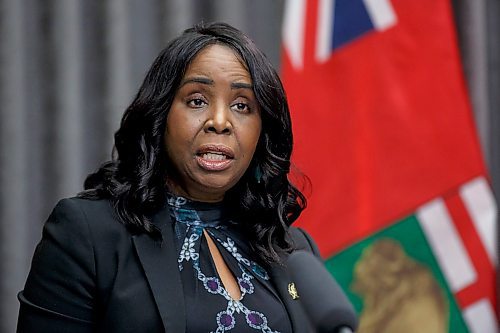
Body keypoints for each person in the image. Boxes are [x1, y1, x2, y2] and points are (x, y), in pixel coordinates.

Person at [17, 22, 320, 333]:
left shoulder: (294, 249)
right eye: (197, 101)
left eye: (242, 106)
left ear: (262, 131)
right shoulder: (88, 233)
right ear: (161, 115)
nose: (220, 121)